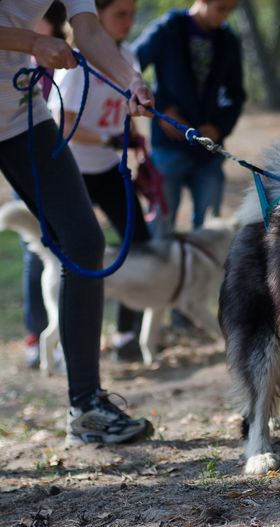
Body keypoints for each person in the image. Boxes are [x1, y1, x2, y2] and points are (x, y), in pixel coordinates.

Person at [0, 0, 155, 444]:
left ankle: (85, 407)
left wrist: (131, 80)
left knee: (84, 242)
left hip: (18, 113)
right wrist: (32, 41)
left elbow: (87, 30)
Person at [48, 0, 151, 362]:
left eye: (132, 13)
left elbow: (124, 106)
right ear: (96, 17)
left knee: (139, 240)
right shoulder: (75, 65)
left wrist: (135, 139)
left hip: (108, 168)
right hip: (72, 168)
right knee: (72, 253)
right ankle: (55, 342)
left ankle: (127, 335)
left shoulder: (130, 59)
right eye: (119, 14)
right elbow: (63, 127)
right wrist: (110, 139)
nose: (129, 21)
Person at [133, 0, 244, 235]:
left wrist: (219, 126)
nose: (225, 16)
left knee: (210, 232)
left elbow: (236, 95)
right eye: (221, 8)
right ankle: (161, 273)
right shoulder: (167, 30)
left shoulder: (228, 41)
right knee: (161, 228)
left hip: (208, 153)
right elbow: (130, 69)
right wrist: (161, 111)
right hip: (168, 149)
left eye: (231, 10)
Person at [18, 1, 68, 369]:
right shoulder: (29, 56)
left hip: (56, 155)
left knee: (75, 245)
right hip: (27, 147)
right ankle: (35, 334)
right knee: (39, 249)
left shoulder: (62, 60)